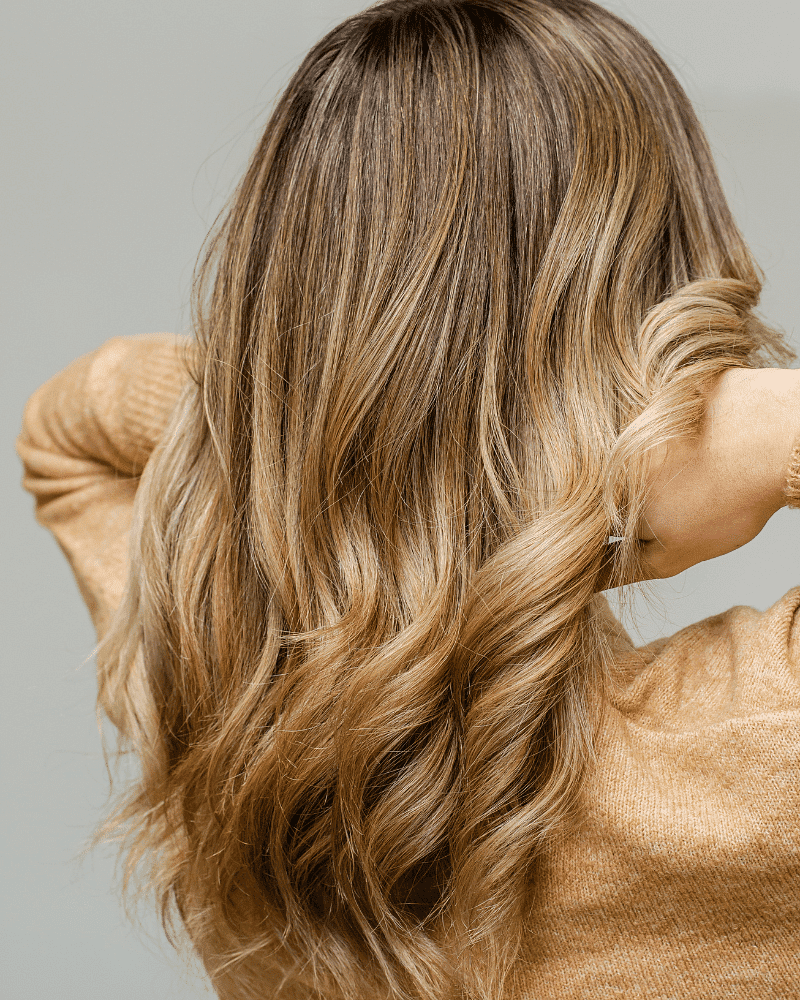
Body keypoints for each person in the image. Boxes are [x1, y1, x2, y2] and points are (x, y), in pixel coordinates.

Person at [14, 1, 800, 998]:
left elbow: (70, 422)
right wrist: (746, 429)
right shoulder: (750, 739)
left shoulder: (224, 698)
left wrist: (336, 431)